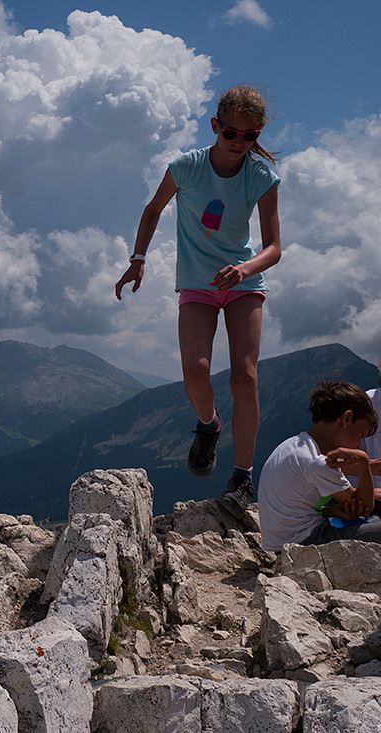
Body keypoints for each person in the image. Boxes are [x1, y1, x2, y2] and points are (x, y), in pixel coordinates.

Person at [115, 85, 281, 516]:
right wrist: (138, 258)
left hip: (242, 282)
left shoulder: (260, 177)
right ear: (215, 127)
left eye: (249, 136)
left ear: (258, 133)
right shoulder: (186, 167)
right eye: (231, 134)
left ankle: (243, 479)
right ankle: (209, 426)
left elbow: (274, 247)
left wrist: (245, 269)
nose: (239, 142)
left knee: (244, 377)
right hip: (196, 281)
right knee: (195, 375)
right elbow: (153, 209)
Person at [257, 381, 379, 552]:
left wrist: (331, 511)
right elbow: (364, 507)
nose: (359, 444)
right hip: (306, 543)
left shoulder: (291, 446)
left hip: (280, 543)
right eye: (361, 434)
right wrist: (363, 462)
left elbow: (296, 507)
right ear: (347, 418)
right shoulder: (318, 462)